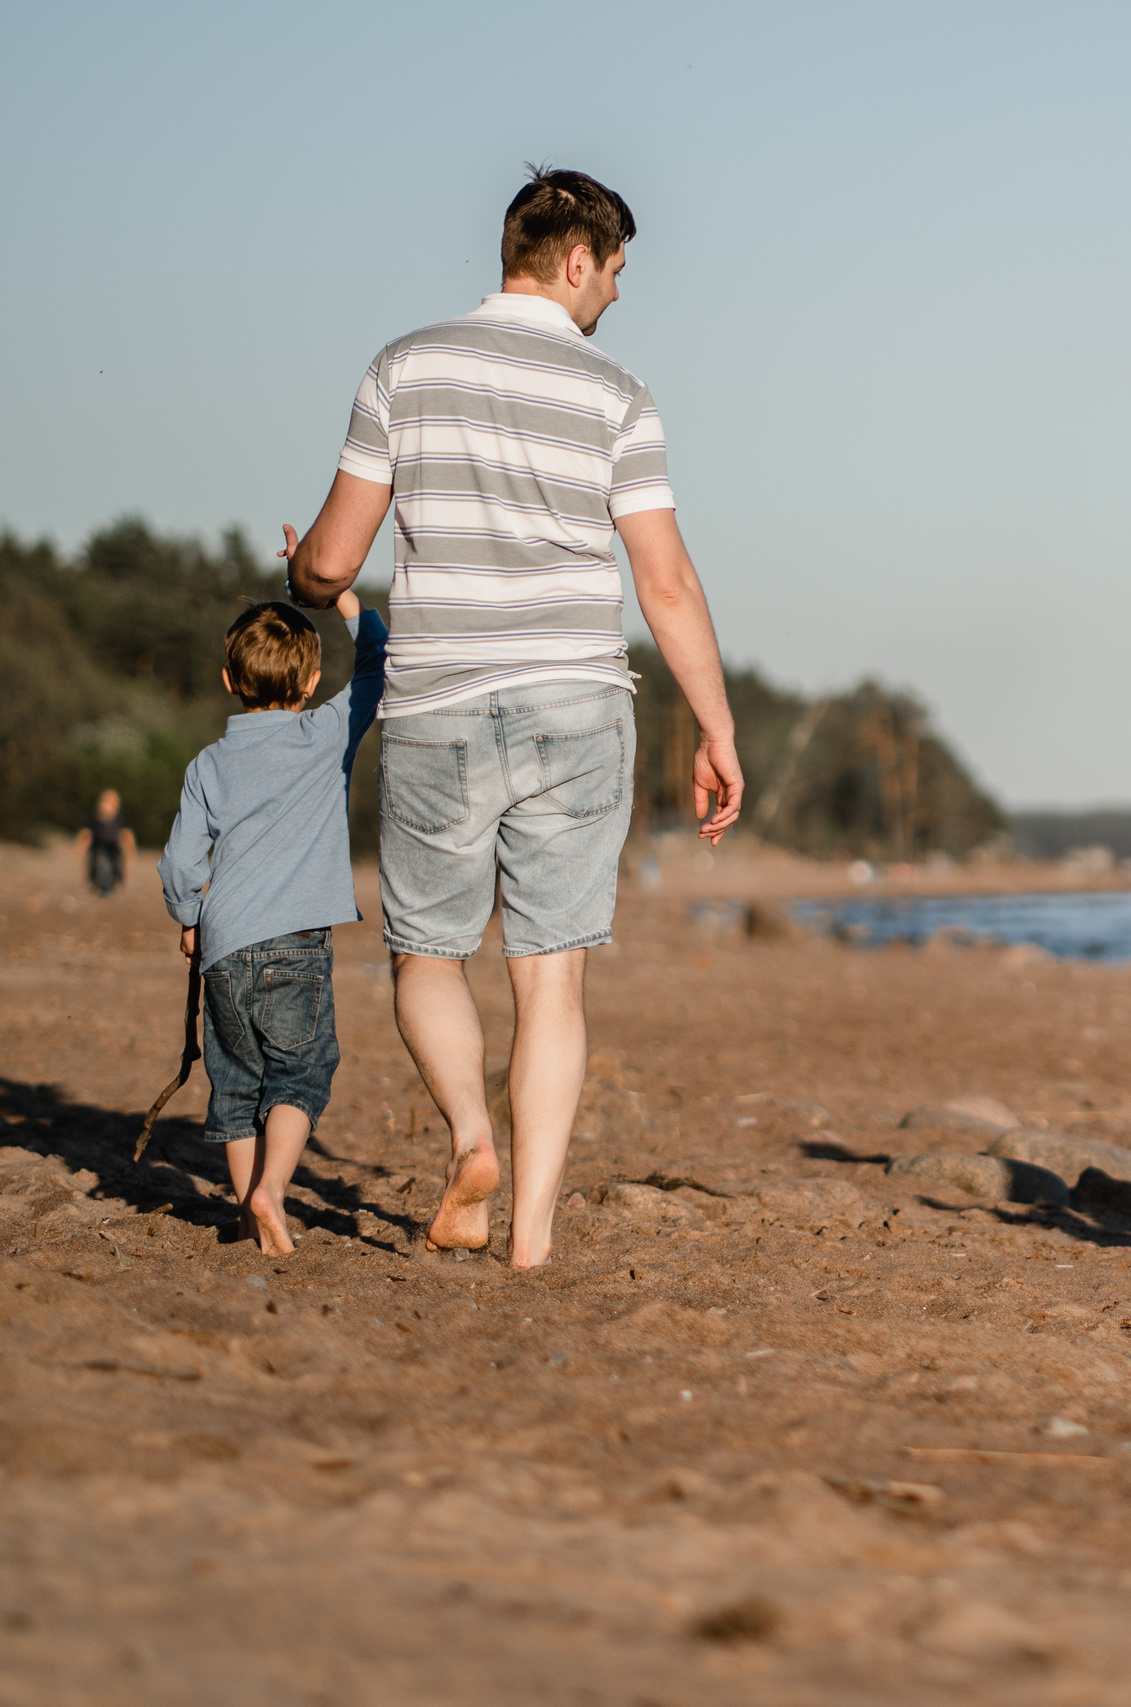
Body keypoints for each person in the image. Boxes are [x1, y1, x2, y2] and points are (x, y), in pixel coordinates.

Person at [281, 168, 744, 1270]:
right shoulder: (619, 394)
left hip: (439, 701)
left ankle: (472, 1138)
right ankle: (530, 1240)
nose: (619, 295)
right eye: (618, 270)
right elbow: (665, 582)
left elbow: (335, 561)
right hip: (577, 706)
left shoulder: (404, 366)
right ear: (575, 259)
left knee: (427, 955)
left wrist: (300, 573)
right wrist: (717, 729)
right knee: (552, 977)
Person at [158, 592, 388, 1255]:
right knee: (300, 1074)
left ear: (229, 680)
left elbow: (179, 860)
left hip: (224, 944)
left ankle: (244, 1213)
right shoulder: (325, 734)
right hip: (297, 942)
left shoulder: (207, 765)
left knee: (235, 1085)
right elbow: (377, 667)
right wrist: (346, 599)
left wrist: (188, 916)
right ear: (312, 682)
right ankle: (272, 1191)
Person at [77, 789, 137, 897]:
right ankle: (96, 882)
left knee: (116, 865)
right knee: (97, 864)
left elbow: (127, 833)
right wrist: (81, 849)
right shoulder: (95, 815)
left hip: (113, 846)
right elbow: (87, 833)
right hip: (98, 845)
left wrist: (131, 851)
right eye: (106, 802)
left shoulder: (120, 817)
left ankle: (114, 882)